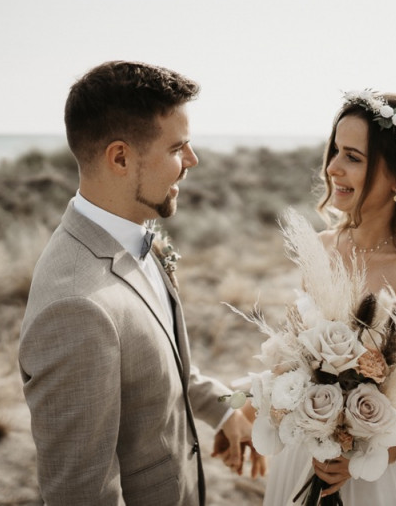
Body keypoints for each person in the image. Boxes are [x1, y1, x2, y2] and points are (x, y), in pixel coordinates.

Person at [18, 60, 257, 505]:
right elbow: (80, 494)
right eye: (177, 148)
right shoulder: (76, 309)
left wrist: (224, 411)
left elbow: (156, 361)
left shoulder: (132, 237)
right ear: (121, 158)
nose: (192, 160)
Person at [262, 90, 396, 505]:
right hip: (300, 460)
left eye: (353, 157)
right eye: (334, 151)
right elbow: (290, 355)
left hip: (375, 480)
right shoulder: (322, 248)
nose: (332, 168)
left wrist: (379, 452)